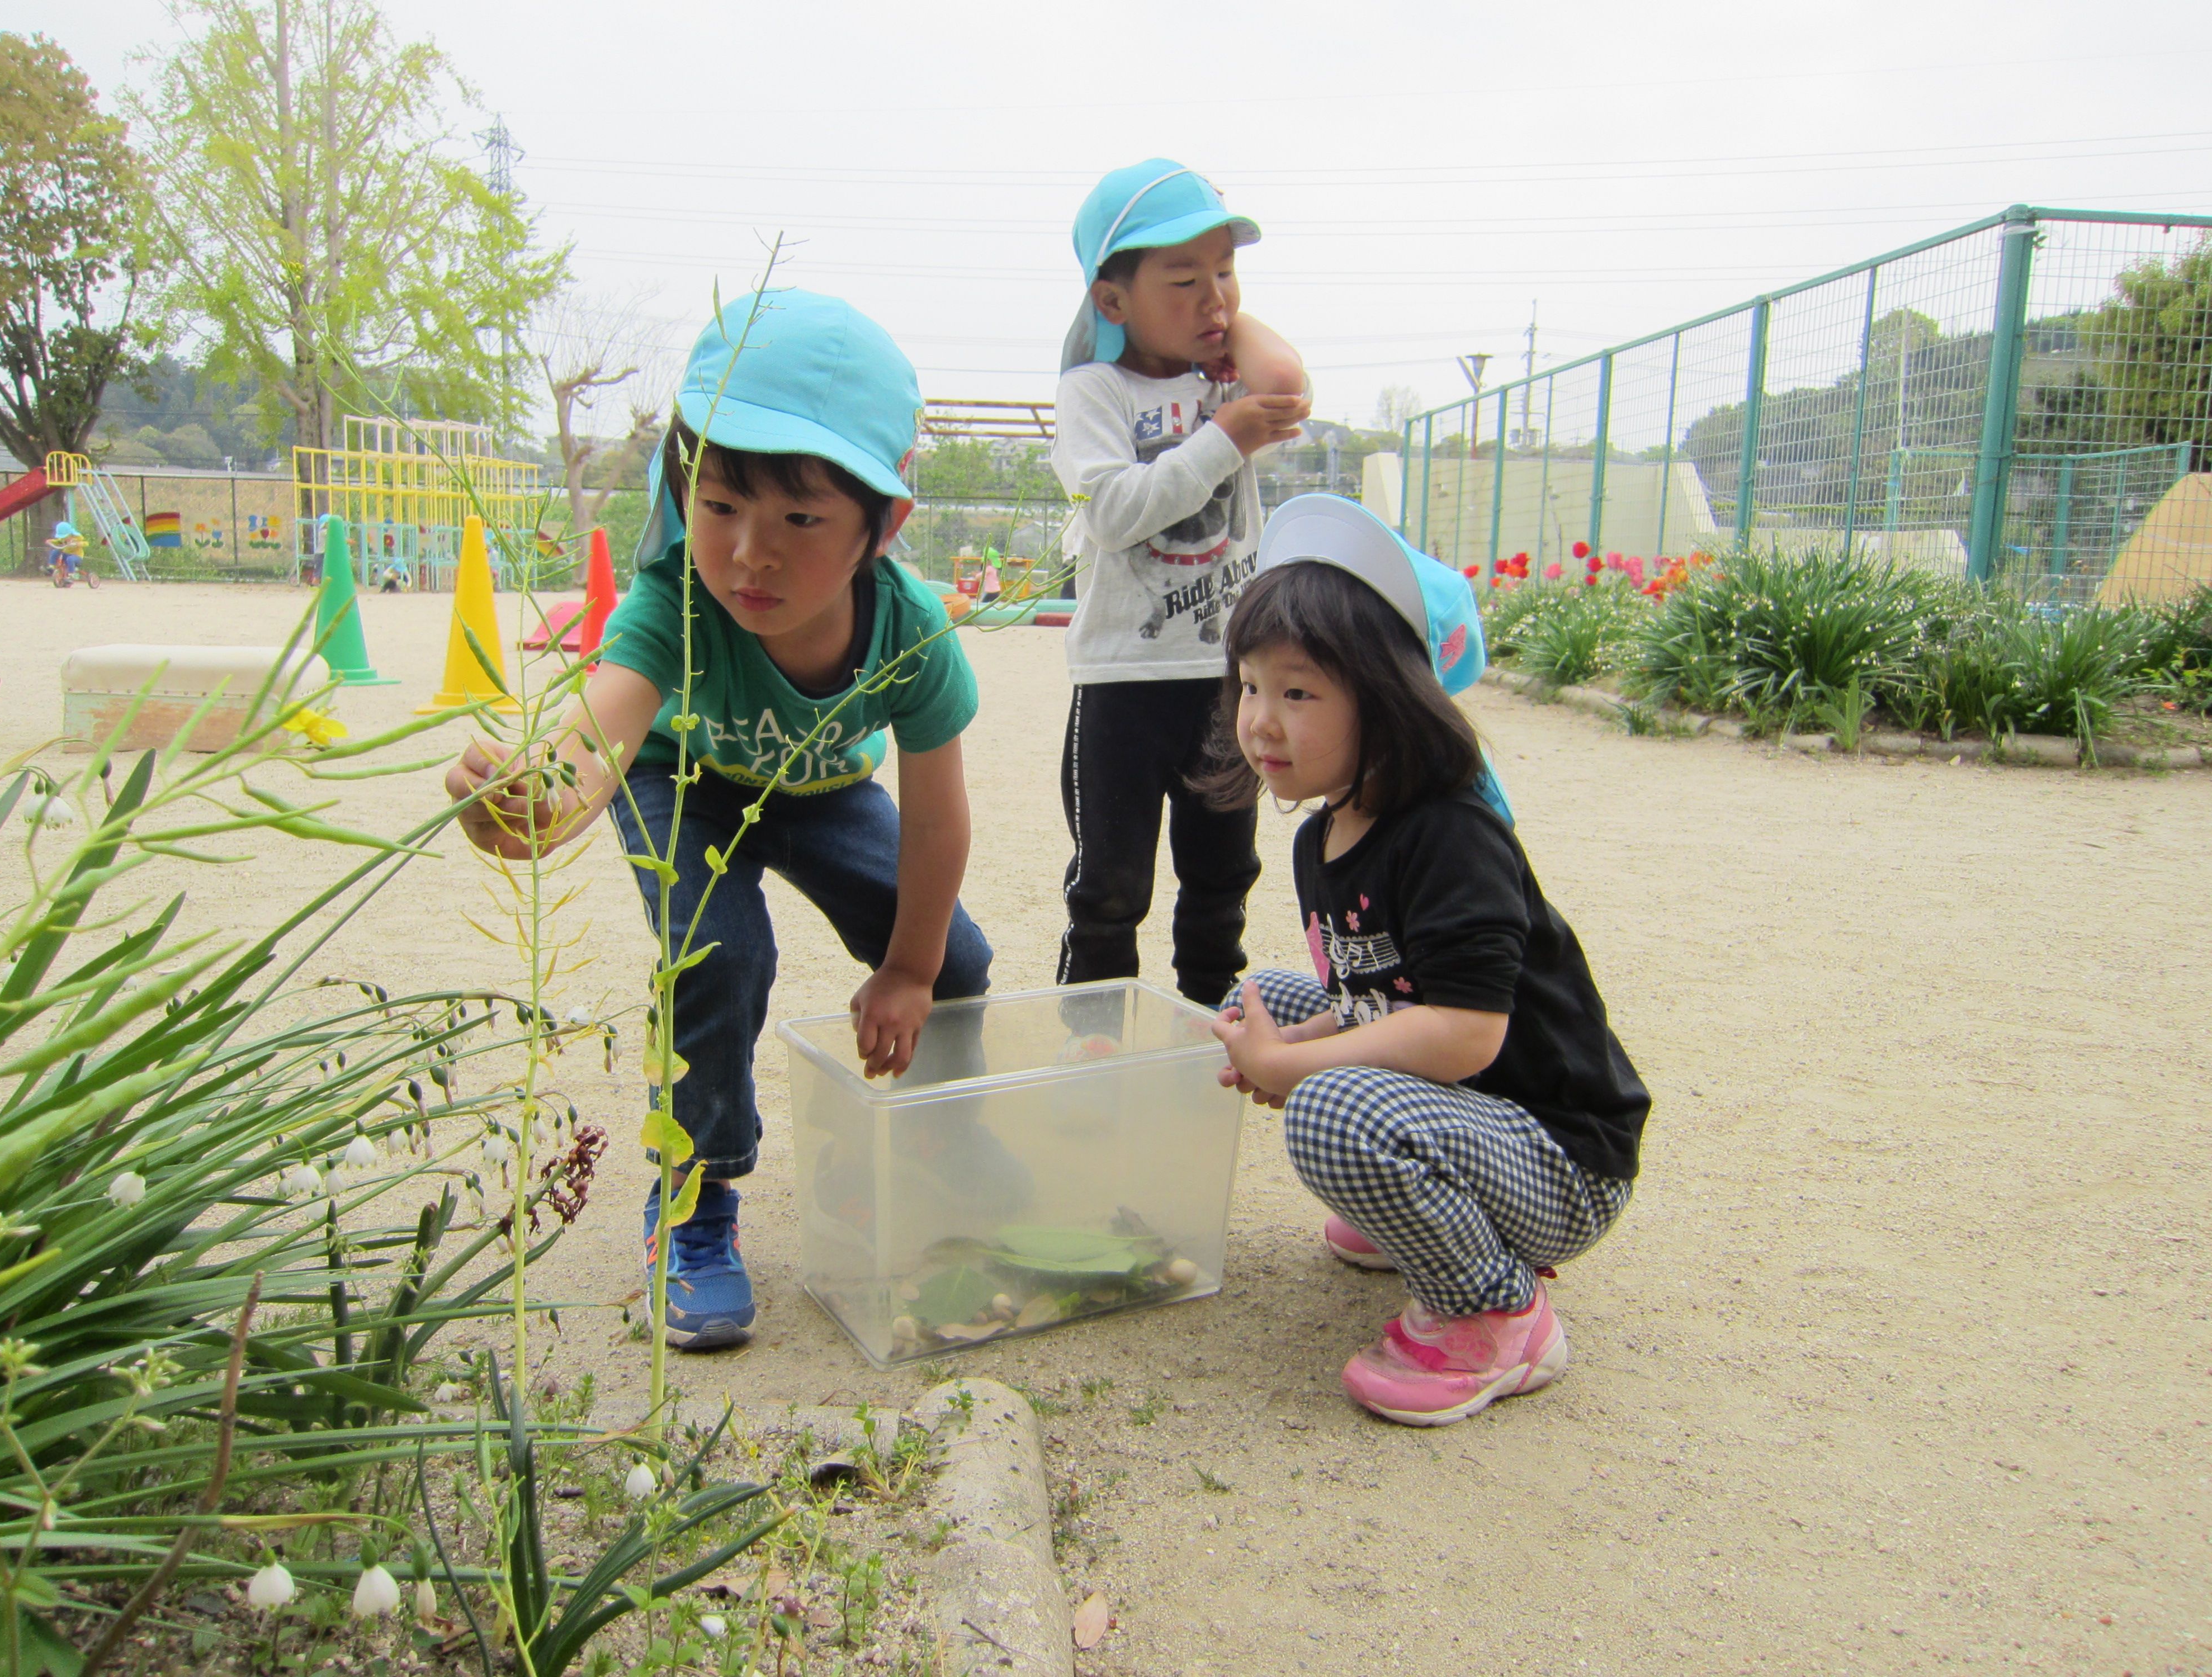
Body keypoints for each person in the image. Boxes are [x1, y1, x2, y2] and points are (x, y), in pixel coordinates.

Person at [443, 290, 990, 1351]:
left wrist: (911, 970)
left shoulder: (914, 635)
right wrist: (524, 805)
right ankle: (694, 1207)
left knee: (960, 963)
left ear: (885, 525)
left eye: (799, 520)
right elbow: (592, 750)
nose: (749, 554)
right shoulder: (674, 606)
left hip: (825, 790)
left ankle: (928, 1154)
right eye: (721, 505)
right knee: (720, 952)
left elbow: (935, 827)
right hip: (681, 780)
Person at [1200, 494, 1649, 1427]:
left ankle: (1496, 1312)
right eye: (1250, 685)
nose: (1261, 721)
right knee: (1268, 994)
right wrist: (1283, 1034)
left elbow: (1465, 1032)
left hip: (1558, 1157)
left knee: (1330, 1108)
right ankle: (1419, 1195)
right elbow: (1370, 994)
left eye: (1299, 692)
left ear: (1388, 699)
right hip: (1478, 1122)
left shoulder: (1451, 834)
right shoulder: (1327, 834)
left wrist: (1290, 1066)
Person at [1049, 158, 1312, 1008]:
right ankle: (1089, 1057)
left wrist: (1224, 323)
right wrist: (1223, 437)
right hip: (1123, 684)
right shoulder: (1096, 391)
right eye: (1184, 280)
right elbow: (1116, 512)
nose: (1216, 300)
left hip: (1223, 684)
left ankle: (1205, 1043)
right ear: (1113, 300)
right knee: (1109, 891)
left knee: (1221, 881)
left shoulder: (1227, 383)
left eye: (1227, 273)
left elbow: (1288, 388)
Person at [46, 521, 93, 589]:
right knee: (55, 552)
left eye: (65, 536)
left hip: (76, 557)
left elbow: (86, 543)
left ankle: (71, 575)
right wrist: (51, 541)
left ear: (70, 534)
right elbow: (58, 542)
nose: (64, 538)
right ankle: (52, 567)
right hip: (66, 554)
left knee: (70, 559)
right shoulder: (63, 539)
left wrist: (77, 544)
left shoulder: (77, 538)